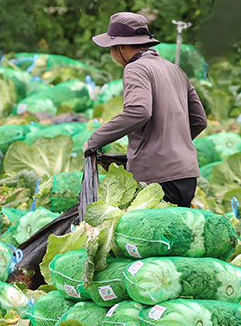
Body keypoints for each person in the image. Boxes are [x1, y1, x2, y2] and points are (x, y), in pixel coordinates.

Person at [82, 12, 207, 206]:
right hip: (186, 175)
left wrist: (93, 141)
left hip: (156, 178)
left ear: (120, 47)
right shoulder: (175, 70)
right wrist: (171, 144)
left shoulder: (136, 69)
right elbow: (199, 120)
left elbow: (138, 111)